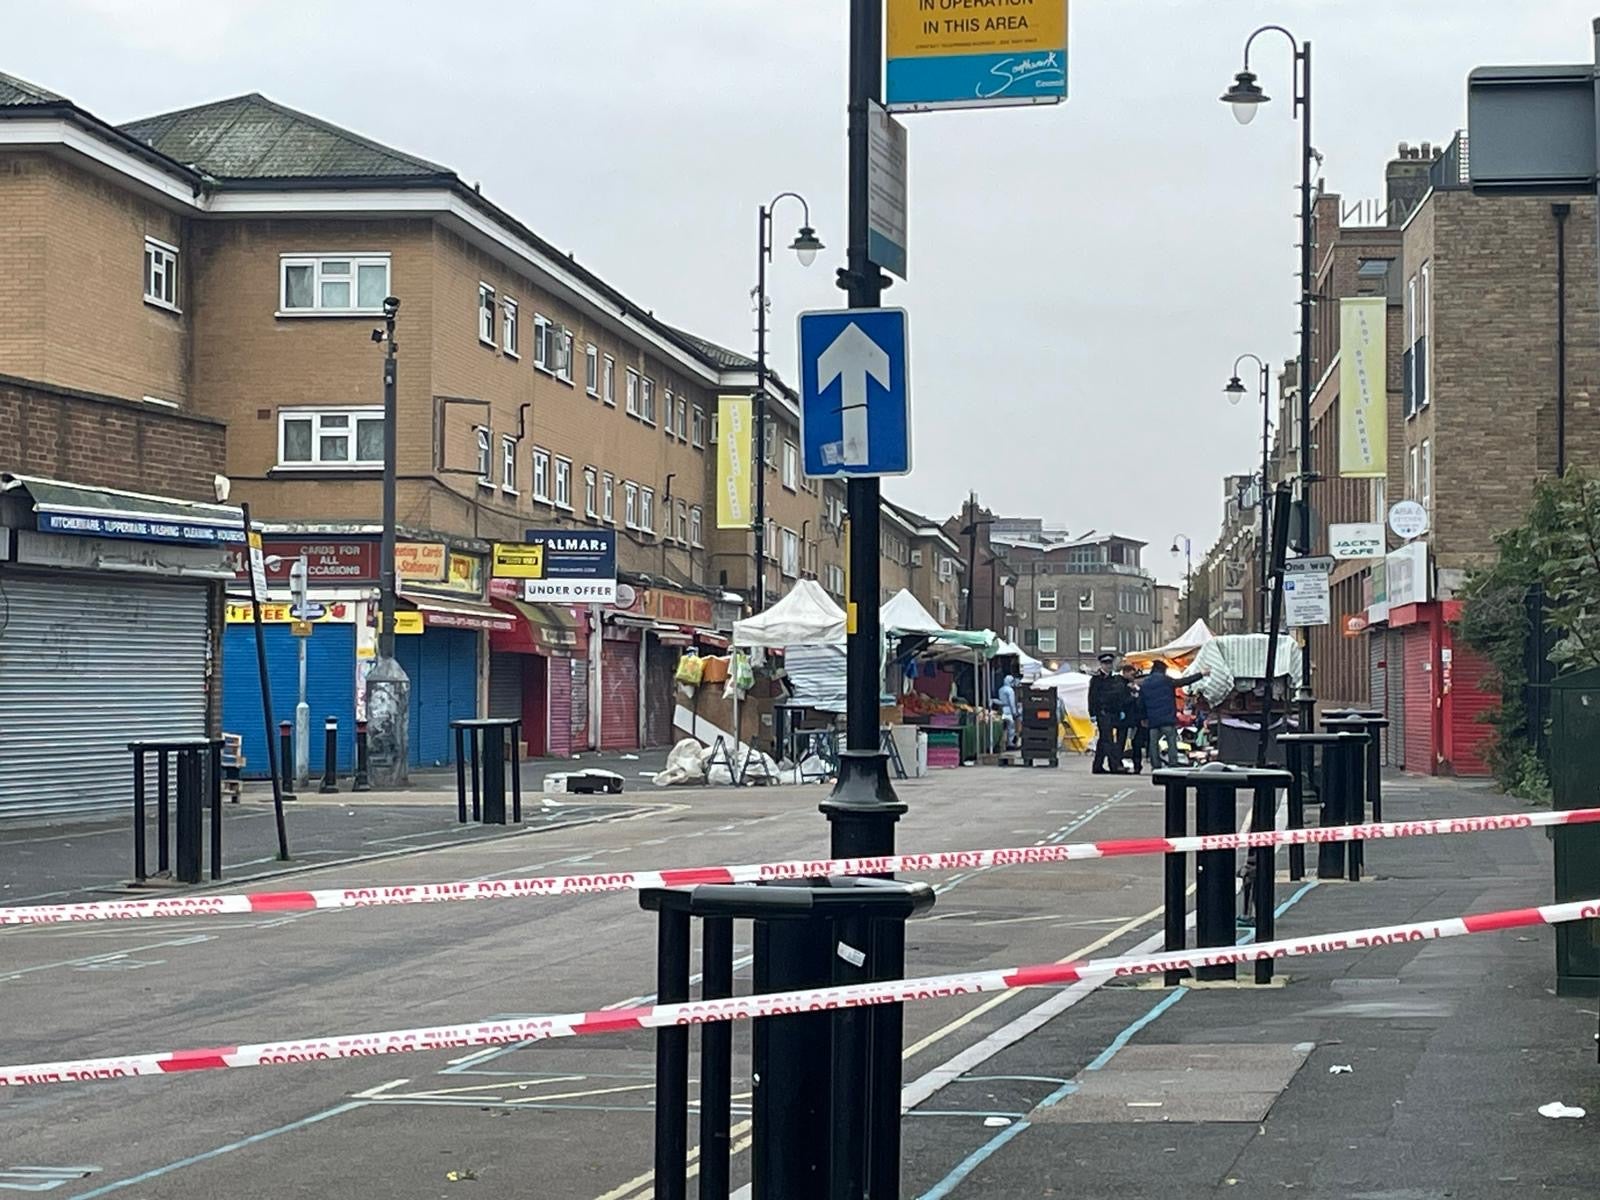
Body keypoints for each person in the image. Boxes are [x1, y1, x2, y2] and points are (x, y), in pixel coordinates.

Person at [1141, 657, 1209, 769]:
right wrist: (1201, 674)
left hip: (1152, 719)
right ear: (1163, 670)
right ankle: (1173, 763)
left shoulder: (1145, 683)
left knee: (1153, 744)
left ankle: (1155, 765)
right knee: (1171, 741)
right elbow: (1184, 681)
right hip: (1167, 718)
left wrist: (1143, 717)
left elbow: (1141, 702)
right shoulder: (1166, 680)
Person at [1090, 653, 1129, 774]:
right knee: (1108, 740)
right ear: (1101, 664)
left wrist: (1121, 710)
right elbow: (1092, 697)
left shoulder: (1115, 679)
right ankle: (1115, 765)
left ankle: (1097, 766)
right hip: (1103, 713)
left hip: (1114, 712)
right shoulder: (1097, 679)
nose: (1108, 666)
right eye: (1106, 664)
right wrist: (1092, 713)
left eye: (1110, 663)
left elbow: (1119, 696)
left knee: (1103, 741)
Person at [1118, 662, 1146, 774]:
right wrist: (1133, 696)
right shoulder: (1121, 686)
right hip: (1126, 719)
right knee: (1122, 742)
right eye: (1131, 674)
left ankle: (1137, 765)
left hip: (1135, 720)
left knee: (1136, 743)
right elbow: (1122, 701)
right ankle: (1119, 764)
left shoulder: (1136, 687)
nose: (1133, 677)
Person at [997, 673, 1019, 749]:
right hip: (1008, 710)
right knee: (1011, 727)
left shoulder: (1000, 689)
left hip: (1001, 709)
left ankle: (1001, 744)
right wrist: (1015, 713)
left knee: (1002, 728)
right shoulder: (1010, 691)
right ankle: (1010, 743)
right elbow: (1012, 702)